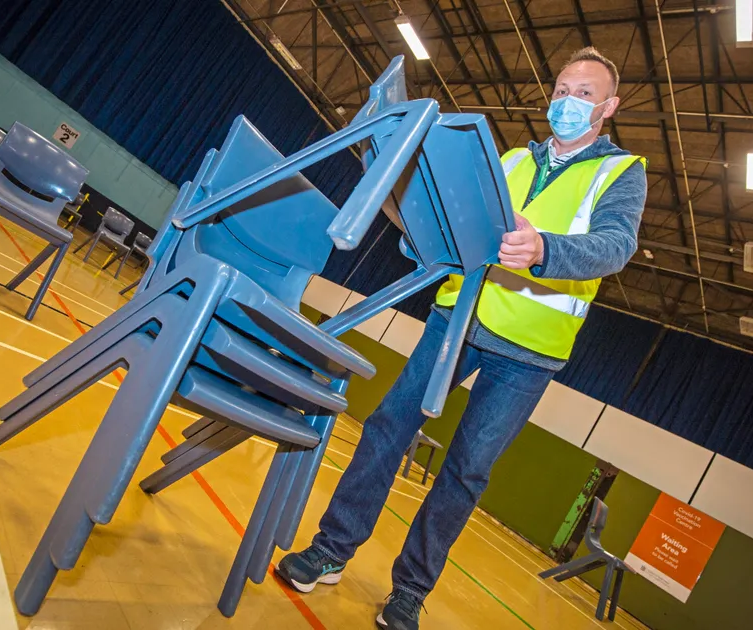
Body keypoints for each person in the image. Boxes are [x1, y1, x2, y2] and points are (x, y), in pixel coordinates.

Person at [276, 46, 648, 630]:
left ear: (609, 107)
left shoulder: (621, 172)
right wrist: (423, 235)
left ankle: (409, 593)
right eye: (561, 89)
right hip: (458, 317)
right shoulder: (509, 159)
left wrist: (547, 249)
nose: (568, 101)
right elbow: (459, 226)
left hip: (529, 352)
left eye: (584, 93)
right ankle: (331, 550)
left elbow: (615, 245)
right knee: (388, 427)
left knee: (466, 471)